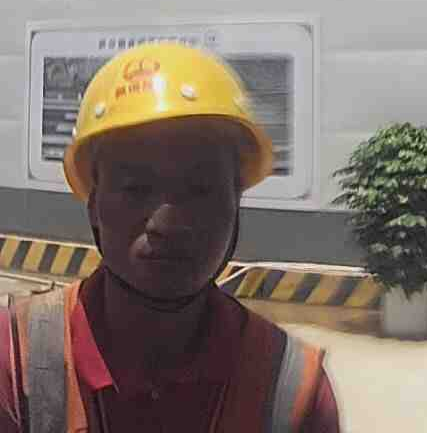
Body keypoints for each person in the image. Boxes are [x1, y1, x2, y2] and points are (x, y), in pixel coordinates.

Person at [0, 42, 340, 432]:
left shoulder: (293, 391)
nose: (167, 223)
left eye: (199, 189)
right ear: (94, 206)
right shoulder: (14, 361)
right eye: (135, 189)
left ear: (236, 202)